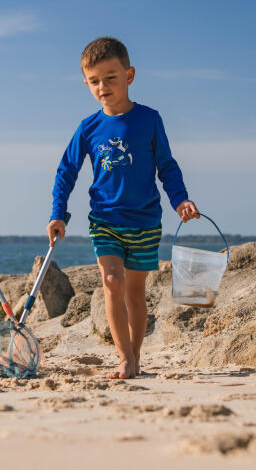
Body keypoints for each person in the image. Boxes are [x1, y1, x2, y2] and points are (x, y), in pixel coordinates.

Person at [47, 37, 200, 379]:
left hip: (145, 220)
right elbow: (66, 171)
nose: (103, 86)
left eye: (110, 77)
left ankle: (136, 354)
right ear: (86, 83)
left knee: (135, 292)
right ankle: (124, 358)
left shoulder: (149, 119)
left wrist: (181, 200)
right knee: (112, 281)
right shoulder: (88, 127)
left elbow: (167, 167)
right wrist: (59, 213)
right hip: (105, 219)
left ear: (129, 75)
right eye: (94, 81)